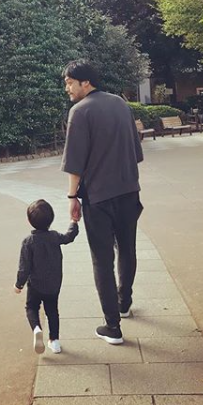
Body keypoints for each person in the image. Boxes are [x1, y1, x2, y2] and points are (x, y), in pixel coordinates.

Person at [61, 60, 144, 345]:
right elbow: (136, 152)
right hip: (129, 191)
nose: (67, 88)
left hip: (98, 198)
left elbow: (75, 163)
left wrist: (72, 197)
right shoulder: (120, 103)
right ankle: (124, 302)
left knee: (102, 259)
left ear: (85, 82)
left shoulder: (80, 111)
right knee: (127, 248)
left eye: (69, 82)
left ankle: (113, 326)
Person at [14, 199, 79, 355]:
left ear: (29, 221)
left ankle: (37, 328)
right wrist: (74, 222)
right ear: (51, 219)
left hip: (35, 285)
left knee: (31, 308)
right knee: (52, 312)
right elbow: (69, 237)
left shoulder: (28, 242)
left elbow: (24, 267)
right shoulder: (54, 236)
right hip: (53, 284)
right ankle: (54, 341)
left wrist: (19, 284)